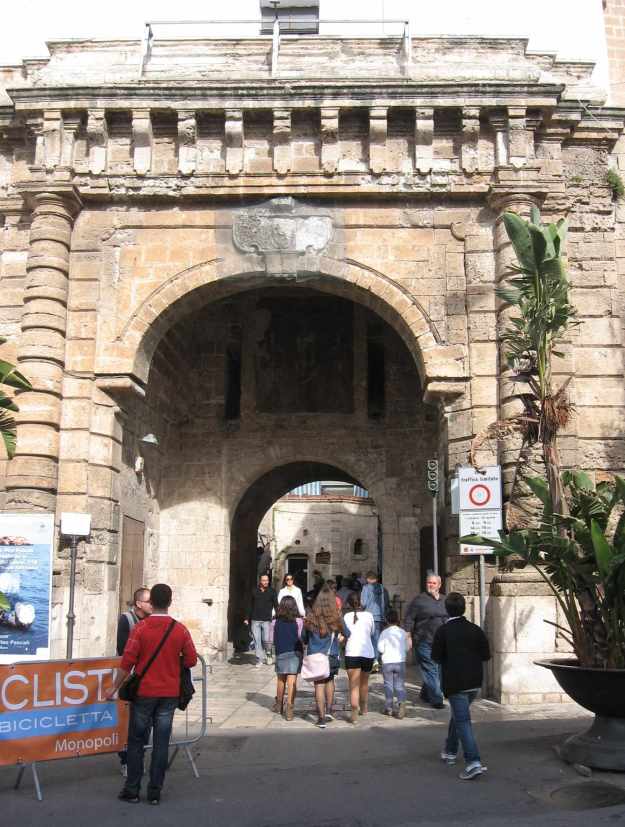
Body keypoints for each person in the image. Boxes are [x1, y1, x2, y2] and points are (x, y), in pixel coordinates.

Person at [108, 583, 197, 805]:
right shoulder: (180, 629)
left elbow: (127, 661)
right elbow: (191, 660)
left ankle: (132, 789)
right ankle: (155, 792)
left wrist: (114, 687)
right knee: (161, 742)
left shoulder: (140, 629)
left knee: (136, 741)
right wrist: (174, 660)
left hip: (145, 693)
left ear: (153, 602)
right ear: (170, 602)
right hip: (169, 693)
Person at [431, 592, 491, 780]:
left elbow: (435, 657)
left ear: (446, 609)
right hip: (474, 682)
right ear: (464, 608)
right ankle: (450, 750)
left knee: (463, 720)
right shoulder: (475, 629)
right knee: (459, 716)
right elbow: (486, 655)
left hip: (455, 682)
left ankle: (473, 761)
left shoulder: (443, 631)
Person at [115, 586, 152, 777]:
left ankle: (139, 757)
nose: (152, 604)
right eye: (149, 601)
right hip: (131, 679)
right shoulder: (126, 619)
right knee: (129, 723)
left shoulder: (153, 620)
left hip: (148, 681)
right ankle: (126, 760)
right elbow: (123, 650)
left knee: (145, 723)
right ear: (139, 603)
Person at [403, 572, 448, 709]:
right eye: (429, 582)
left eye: (434, 583)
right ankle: (436, 699)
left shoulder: (445, 600)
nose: (431, 585)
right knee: (431, 668)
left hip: (440, 641)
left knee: (438, 669)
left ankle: (425, 694)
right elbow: (409, 618)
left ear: (439, 585)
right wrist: (408, 637)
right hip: (423, 640)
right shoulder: (419, 600)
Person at [301, 584, 343, 728]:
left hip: (315, 656)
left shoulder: (311, 617)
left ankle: (321, 718)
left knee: (319, 685)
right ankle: (329, 710)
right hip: (331, 655)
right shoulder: (335, 617)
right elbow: (347, 633)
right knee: (330, 681)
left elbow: (303, 637)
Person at [342, 591, 375, 724]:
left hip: (352, 652)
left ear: (349, 604)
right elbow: (372, 632)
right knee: (364, 682)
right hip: (367, 652)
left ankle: (354, 710)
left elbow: (344, 633)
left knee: (353, 684)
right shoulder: (369, 615)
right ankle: (364, 707)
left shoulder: (346, 616)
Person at [272, 595, 303, 720]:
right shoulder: (299, 621)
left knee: (281, 680)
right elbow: (301, 637)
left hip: (281, 651)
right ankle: (290, 706)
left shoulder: (275, 621)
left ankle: (279, 705)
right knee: (292, 680)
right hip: (294, 652)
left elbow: (270, 638)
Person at [377, 609, 411, 718]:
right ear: (398, 620)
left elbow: (380, 648)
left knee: (388, 684)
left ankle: (389, 708)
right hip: (400, 661)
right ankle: (401, 704)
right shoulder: (402, 632)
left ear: (387, 620)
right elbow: (407, 648)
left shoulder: (384, 633)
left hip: (387, 662)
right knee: (399, 684)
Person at [245, 573, 278, 668]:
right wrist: (247, 618)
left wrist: (279, 616)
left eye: (267, 580)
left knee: (266, 640)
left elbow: (276, 605)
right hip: (255, 620)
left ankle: (268, 654)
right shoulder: (254, 591)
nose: (265, 582)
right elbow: (249, 605)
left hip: (267, 620)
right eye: (264, 580)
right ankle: (259, 659)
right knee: (257, 640)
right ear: (260, 581)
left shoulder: (272, 591)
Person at [360, 570, 389, 668]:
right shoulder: (382, 588)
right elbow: (385, 603)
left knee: (368, 638)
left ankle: (370, 659)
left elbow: (363, 603)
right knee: (377, 638)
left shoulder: (366, 588)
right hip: (379, 616)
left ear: (368, 579)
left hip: (368, 616)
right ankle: (376, 659)